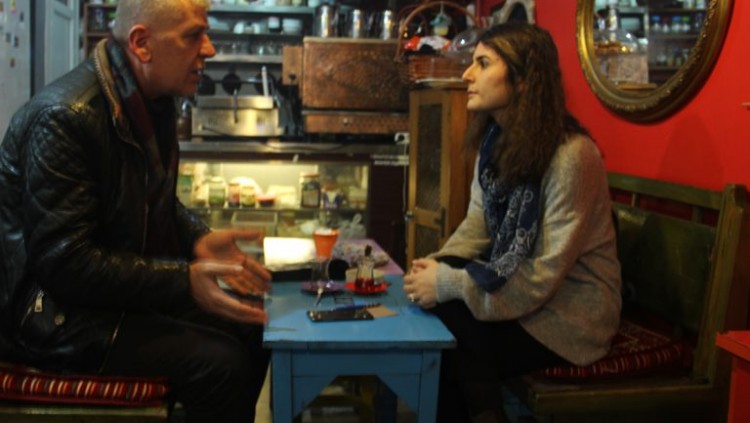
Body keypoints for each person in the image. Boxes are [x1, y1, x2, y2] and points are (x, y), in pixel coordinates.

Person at [0, 1, 272, 421]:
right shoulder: (65, 117)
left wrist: (197, 239)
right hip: (49, 316)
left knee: (253, 326)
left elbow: (147, 198)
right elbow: (65, 264)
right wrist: (183, 280)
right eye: (193, 35)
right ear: (142, 44)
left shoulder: (148, 101)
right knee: (222, 366)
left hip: (101, 297)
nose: (210, 49)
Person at [403, 22, 622, 423]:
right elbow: (478, 223)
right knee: (441, 320)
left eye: (483, 63)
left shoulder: (572, 156)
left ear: (523, 80)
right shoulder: (495, 144)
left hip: (570, 317)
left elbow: (542, 276)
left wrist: (448, 284)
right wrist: (436, 266)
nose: (467, 74)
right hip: (525, 296)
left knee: (453, 333)